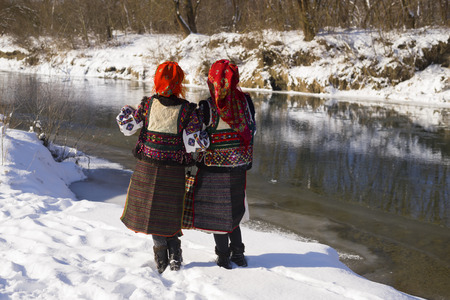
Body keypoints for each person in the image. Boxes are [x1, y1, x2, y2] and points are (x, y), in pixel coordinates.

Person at [118, 61, 196, 274]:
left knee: (154, 214)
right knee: (170, 211)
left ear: (156, 81)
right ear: (179, 82)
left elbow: (127, 127)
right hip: (174, 170)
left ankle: (161, 258)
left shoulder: (147, 105)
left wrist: (125, 112)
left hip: (148, 167)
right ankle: (175, 255)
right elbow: (194, 143)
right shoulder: (188, 110)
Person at [192, 59, 256, 269]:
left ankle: (223, 257)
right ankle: (238, 254)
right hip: (238, 166)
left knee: (218, 214)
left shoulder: (207, 106)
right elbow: (252, 130)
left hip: (213, 169)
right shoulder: (245, 101)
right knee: (234, 210)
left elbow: (196, 139)